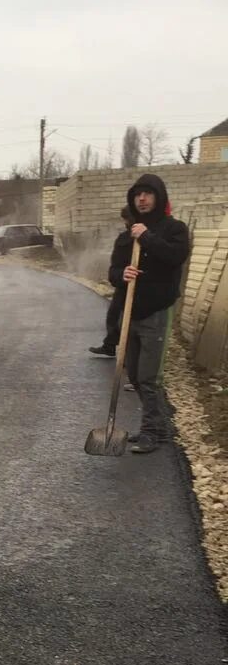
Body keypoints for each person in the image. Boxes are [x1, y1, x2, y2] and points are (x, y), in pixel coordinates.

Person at [108, 172, 190, 454]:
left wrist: (148, 237)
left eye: (148, 193)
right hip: (130, 312)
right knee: (132, 372)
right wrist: (123, 274)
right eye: (137, 194)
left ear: (159, 197)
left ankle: (152, 431)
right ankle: (159, 426)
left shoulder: (174, 229)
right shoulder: (126, 236)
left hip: (156, 312)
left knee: (149, 377)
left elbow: (176, 256)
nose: (141, 198)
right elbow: (113, 272)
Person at [90, 206, 134, 357]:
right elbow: (115, 267)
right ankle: (109, 345)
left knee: (129, 322)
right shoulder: (124, 239)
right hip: (123, 285)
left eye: (127, 219)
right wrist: (120, 275)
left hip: (142, 289)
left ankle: (129, 356)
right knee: (113, 315)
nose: (125, 223)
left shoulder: (147, 237)